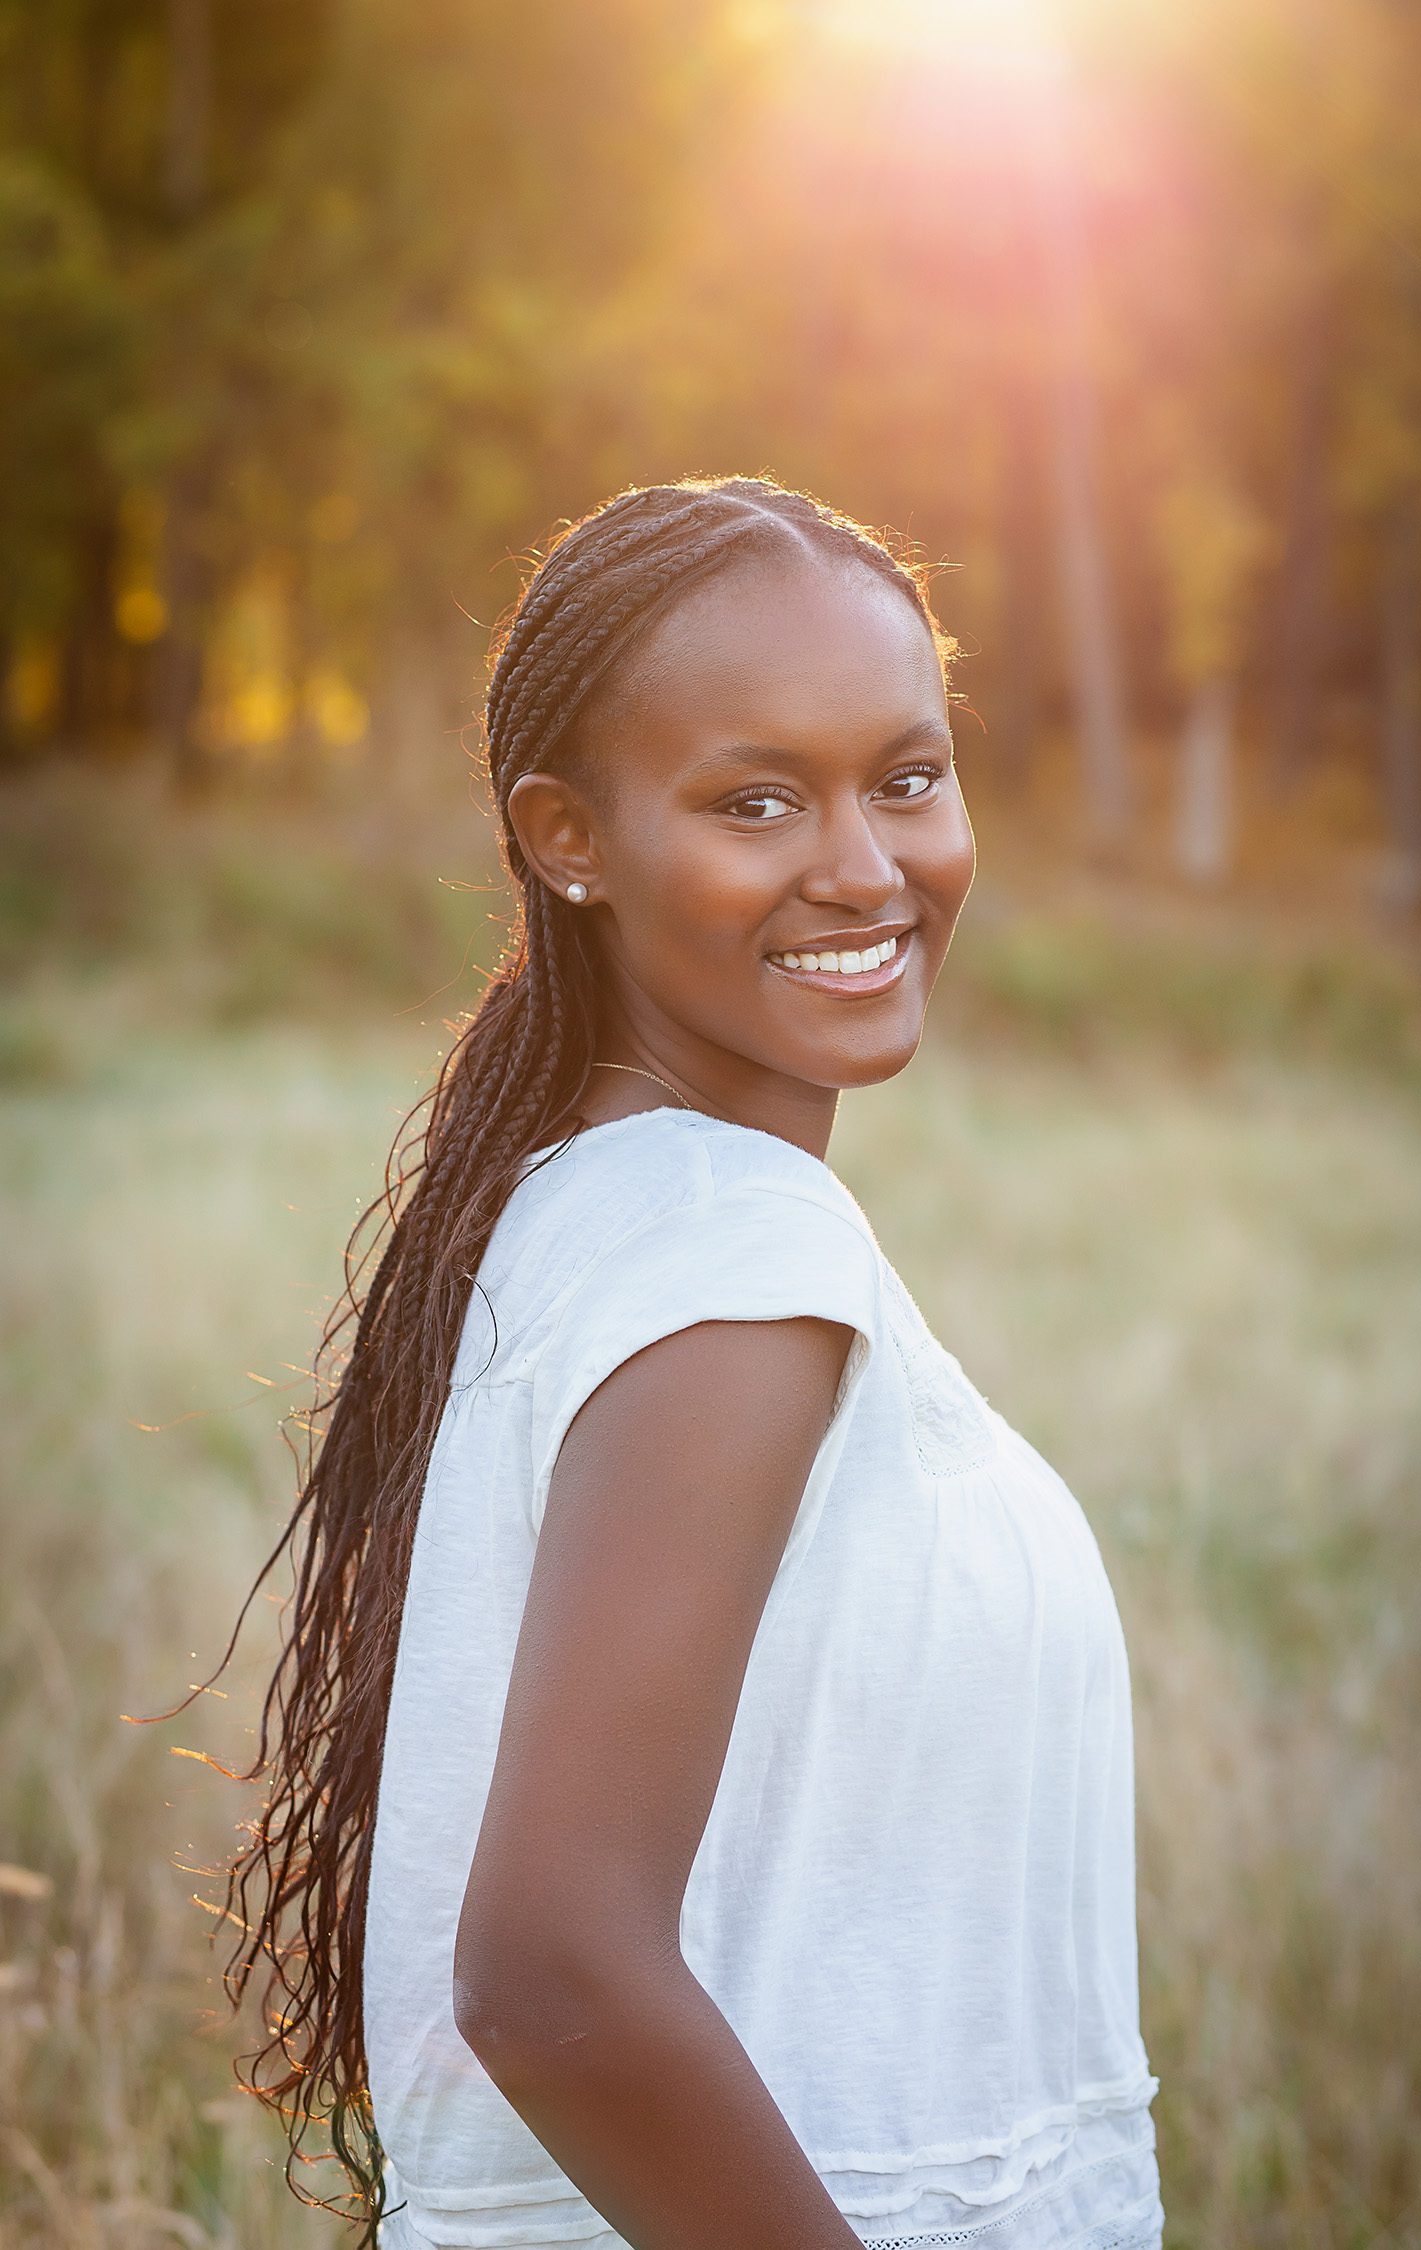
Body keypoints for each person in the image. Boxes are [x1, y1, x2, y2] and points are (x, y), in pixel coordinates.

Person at [220, 475, 1164, 2250]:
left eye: (906, 776)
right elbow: (551, 1969)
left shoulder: (601, 1201)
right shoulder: (733, 1249)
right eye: (757, 799)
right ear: (568, 836)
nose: (867, 866)